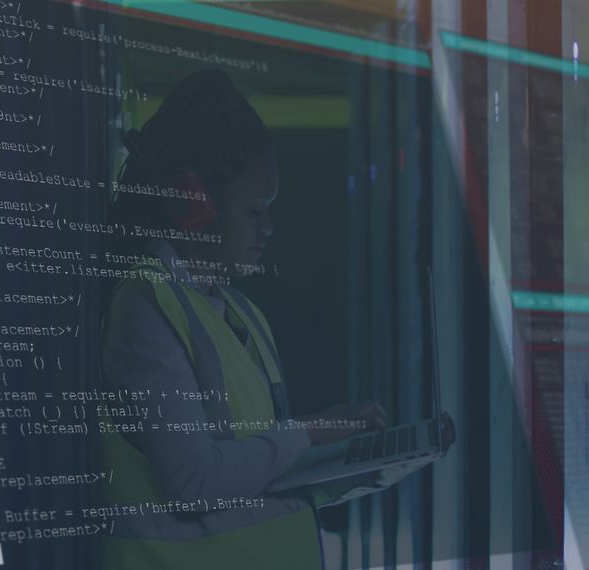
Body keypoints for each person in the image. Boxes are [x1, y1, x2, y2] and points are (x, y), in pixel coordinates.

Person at [98, 70, 453, 569]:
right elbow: (195, 484)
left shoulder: (242, 315)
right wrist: (310, 431)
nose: (269, 227)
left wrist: (376, 466)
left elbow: (266, 477)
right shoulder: (146, 305)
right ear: (193, 206)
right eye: (255, 209)